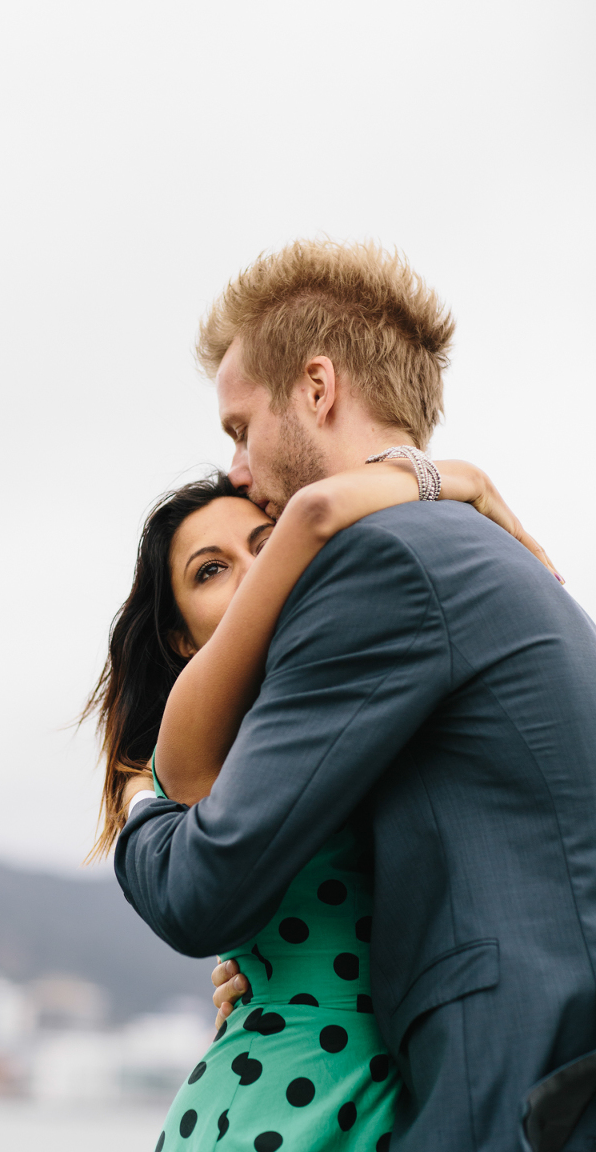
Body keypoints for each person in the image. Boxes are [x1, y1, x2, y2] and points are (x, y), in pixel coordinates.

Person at [114, 240, 596, 1152]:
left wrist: (141, 807)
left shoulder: (386, 562)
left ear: (319, 387)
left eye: (240, 429)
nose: (238, 471)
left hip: (520, 1090)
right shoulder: (462, 547)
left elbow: (202, 887)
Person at [86, 456, 554, 1150]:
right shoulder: (192, 736)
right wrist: (459, 481)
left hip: (390, 1085)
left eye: (261, 546)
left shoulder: (351, 707)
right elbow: (312, 519)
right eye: (210, 571)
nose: (250, 574)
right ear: (182, 639)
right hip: (275, 1106)